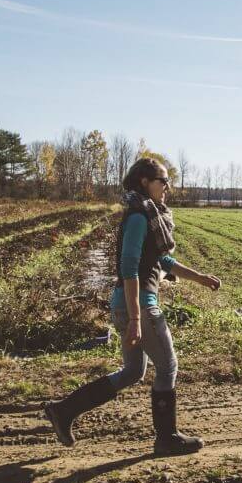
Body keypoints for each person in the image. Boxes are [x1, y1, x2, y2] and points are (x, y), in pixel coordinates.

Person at [44, 157, 221, 455]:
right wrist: (137, 319)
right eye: (162, 181)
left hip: (125, 305)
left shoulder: (148, 214)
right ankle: (167, 439)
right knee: (167, 367)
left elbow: (161, 261)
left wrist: (200, 278)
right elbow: (129, 267)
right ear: (145, 182)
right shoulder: (140, 216)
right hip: (138, 305)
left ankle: (63, 411)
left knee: (132, 372)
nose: (167, 187)